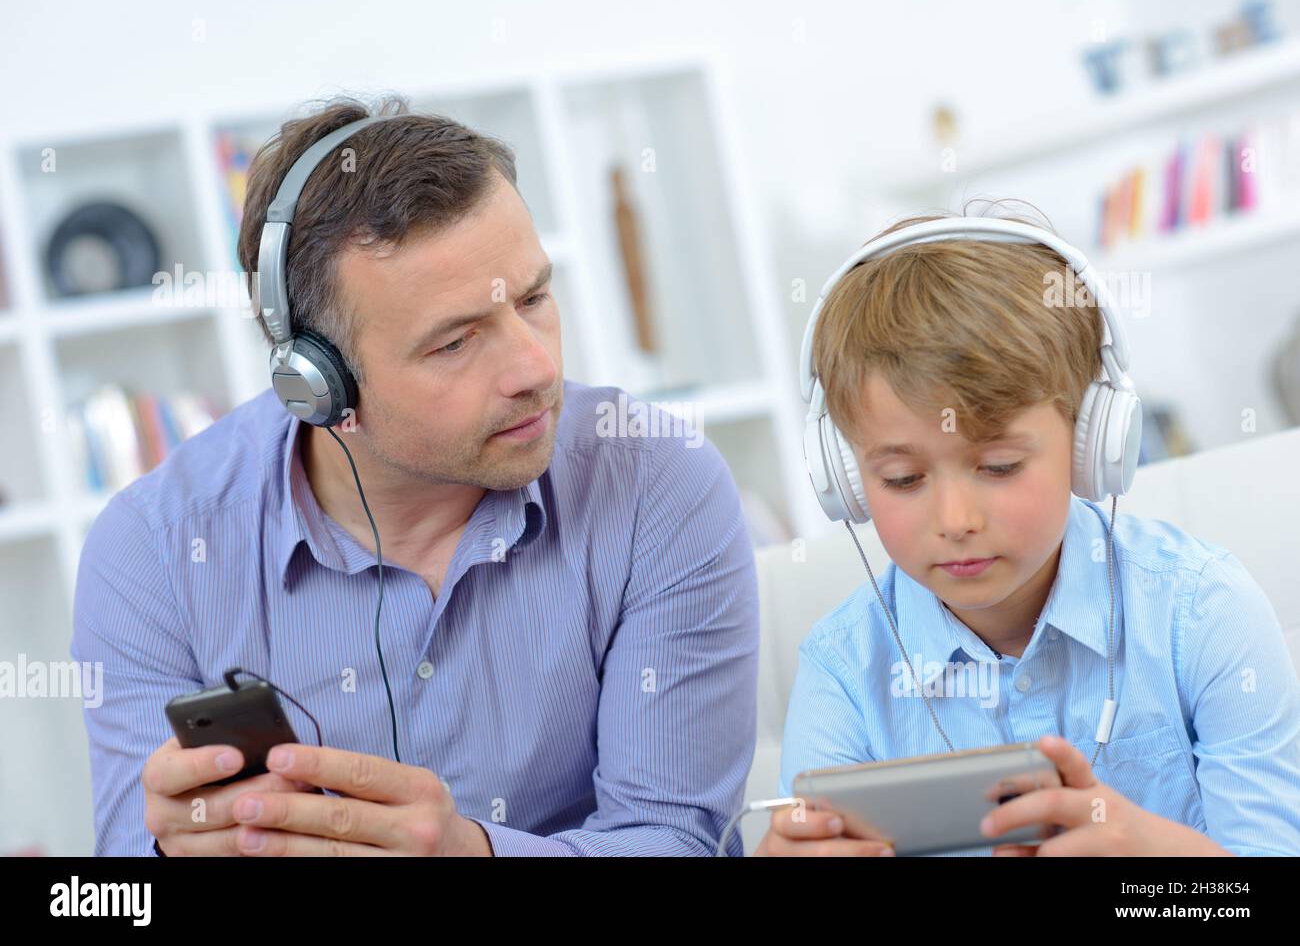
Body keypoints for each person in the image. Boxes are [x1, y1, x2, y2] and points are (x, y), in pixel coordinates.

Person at [71, 96, 758, 857]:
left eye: (534, 297)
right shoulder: (155, 551)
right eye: (455, 342)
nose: (536, 368)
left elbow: (677, 838)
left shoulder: (657, 482)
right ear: (320, 383)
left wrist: (478, 855)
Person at [757, 211, 1300, 856]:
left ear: (1092, 442)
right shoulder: (844, 672)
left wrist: (1156, 865)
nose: (956, 521)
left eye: (999, 466)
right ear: (844, 477)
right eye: (903, 479)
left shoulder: (1203, 611)